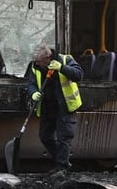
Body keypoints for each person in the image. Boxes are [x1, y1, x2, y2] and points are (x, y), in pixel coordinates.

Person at [26, 42, 83, 172]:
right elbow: (30, 83)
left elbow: (79, 75)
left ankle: (61, 168)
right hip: (48, 107)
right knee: (45, 136)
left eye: (39, 61)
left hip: (65, 106)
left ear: (47, 58)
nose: (37, 64)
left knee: (64, 138)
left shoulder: (65, 59)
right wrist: (33, 92)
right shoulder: (35, 66)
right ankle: (62, 161)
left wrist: (62, 68)